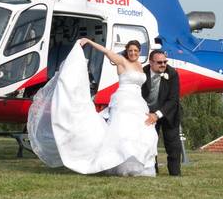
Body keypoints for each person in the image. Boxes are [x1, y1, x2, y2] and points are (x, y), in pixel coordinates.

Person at [26, 38, 158, 176]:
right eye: (130, 50)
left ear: (139, 52)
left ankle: (138, 163)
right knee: (123, 130)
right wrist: (88, 41)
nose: (132, 53)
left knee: (142, 129)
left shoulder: (140, 65)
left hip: (138, 101)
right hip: (124, 99)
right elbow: (106, 51)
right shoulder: (121, 61)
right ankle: (116, 161)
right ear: (127, 51)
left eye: (135, 51)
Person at [141, 48, 183, 176]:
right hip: (149, 113)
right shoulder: (142, 73)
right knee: (149, 143)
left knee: (173, 145)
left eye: (165, 62)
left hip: (169, 113)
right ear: (151, 62)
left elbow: (173, 99)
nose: (163, 65)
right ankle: (152, 171)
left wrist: (157, 115)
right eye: (159, 62)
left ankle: (175, 174)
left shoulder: (172, 73)